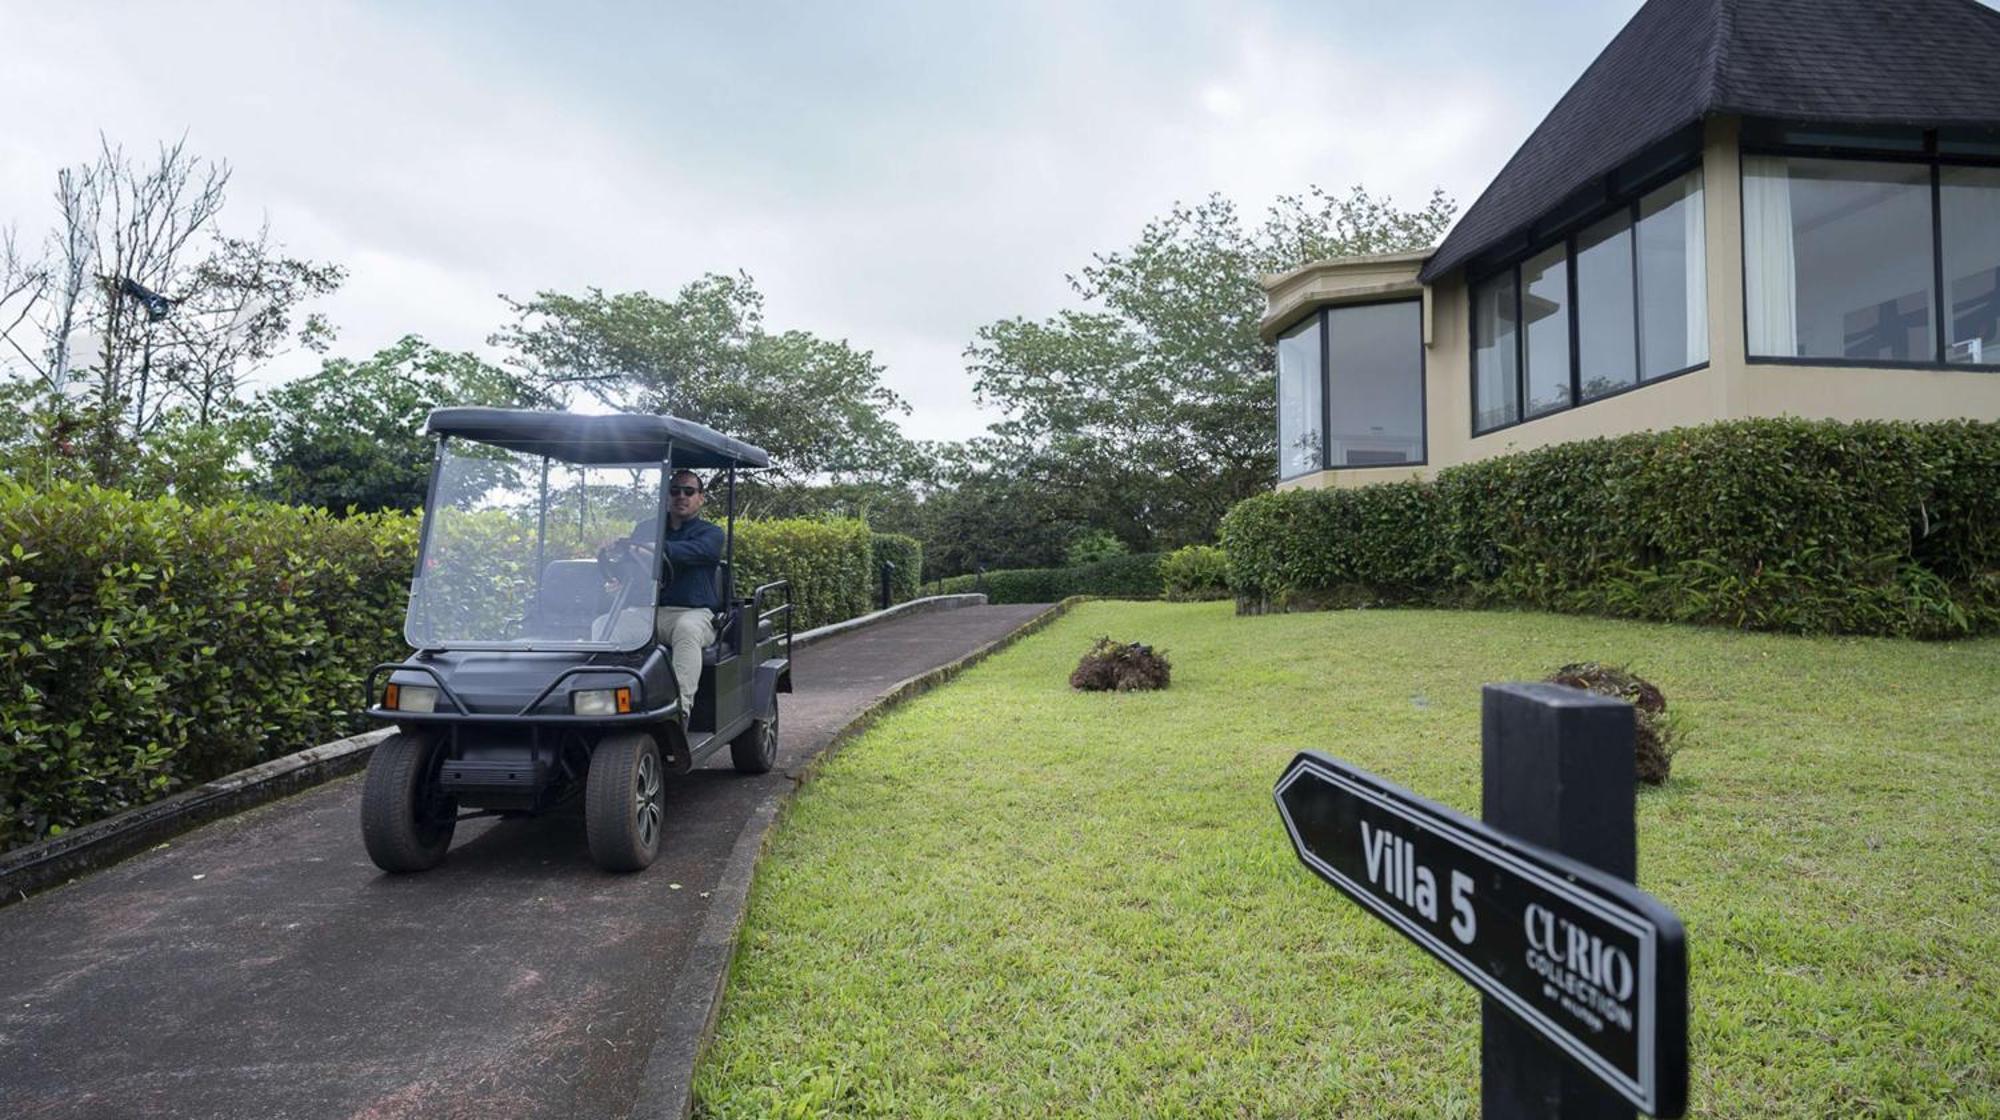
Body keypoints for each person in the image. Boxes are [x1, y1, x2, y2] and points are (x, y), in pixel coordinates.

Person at [619, 469, 725, 723]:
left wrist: (655, 549)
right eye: (675, 490)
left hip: (694, 613)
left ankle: (680, 710)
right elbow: (631, 561)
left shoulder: (711, 533)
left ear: (700, 498)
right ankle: (613, 699)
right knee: (607, 624)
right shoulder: (647, 528)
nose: (681, 496)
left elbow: (698, 552)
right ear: (666, 496)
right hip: (650, 612)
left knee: (687, 629)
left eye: (689, 491)